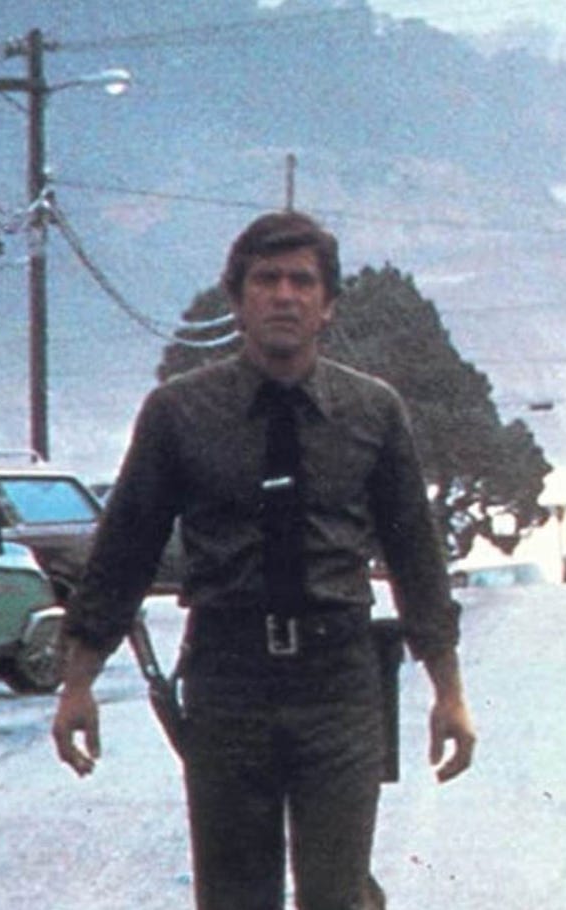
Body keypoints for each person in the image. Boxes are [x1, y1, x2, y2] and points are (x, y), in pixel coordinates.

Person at [52, 211, 476, 910]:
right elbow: (124, 552)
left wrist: (449, 694)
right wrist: (78, 685)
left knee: (336, 894)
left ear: (328, 304)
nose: (285, 295)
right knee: (234, 897)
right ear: (237, 299)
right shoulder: (178, 414)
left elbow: (417, 561)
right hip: (229, 682)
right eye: (266, 280)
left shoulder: (373, 412)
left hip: (340, 683)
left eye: (302, 282)